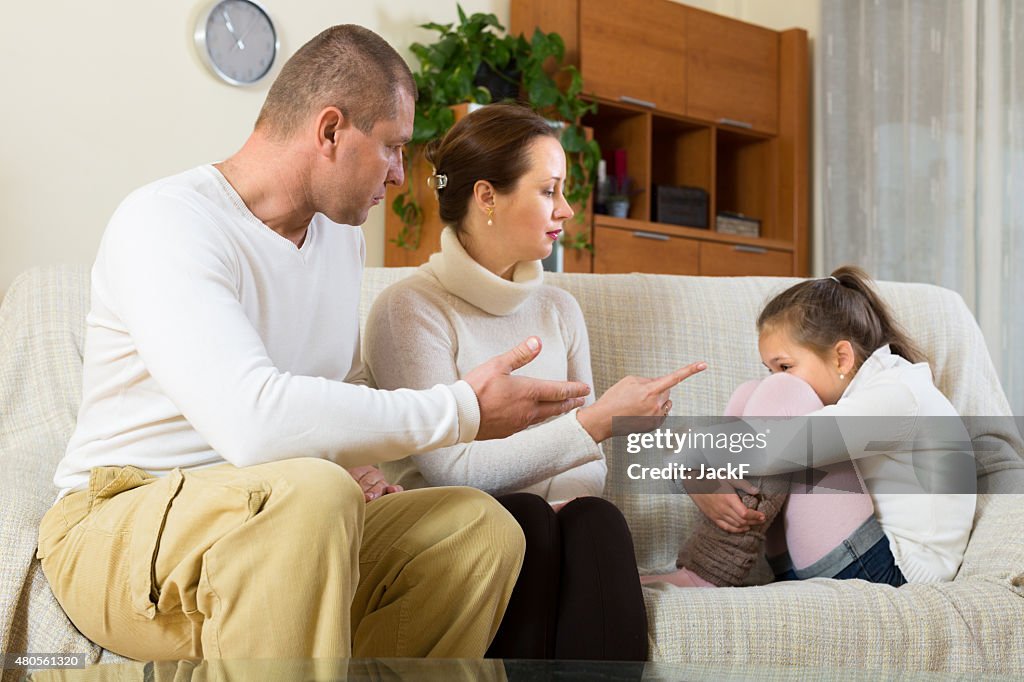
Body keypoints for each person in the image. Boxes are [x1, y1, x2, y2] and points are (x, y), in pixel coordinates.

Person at [37, 25, 596, 662]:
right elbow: (254, 421)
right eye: (392, 148)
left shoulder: (339, 240)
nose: (398, 175)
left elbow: (333, 388)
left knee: (479, 529)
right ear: (330, 129)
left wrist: (356, 465)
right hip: (121, 520)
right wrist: (463, 409)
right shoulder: (168, 222)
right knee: (313, 491)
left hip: (275, 514)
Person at [363, 103, 707, 661]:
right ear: (487, 197)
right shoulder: (410, 311)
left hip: (551, 522)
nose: (567, 210)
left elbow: (589, 465)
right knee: (523, 519)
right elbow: (452, 471)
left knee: (596, 519)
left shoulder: (561, 309)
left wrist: (567, 491)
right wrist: (591, 425)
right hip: (454, 523)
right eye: (549, 191)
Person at [644, 266, 976, 588]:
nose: (778, 376)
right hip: (842, 556)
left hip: (894, 573)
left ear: (841, 358)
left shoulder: (898, 394)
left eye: (785, 365)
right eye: (773, 368)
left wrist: (690, 466)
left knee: (781, 397)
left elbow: (780, 446)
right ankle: (713, 564)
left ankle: (709, 573)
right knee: (753, 392)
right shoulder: (867, 391)